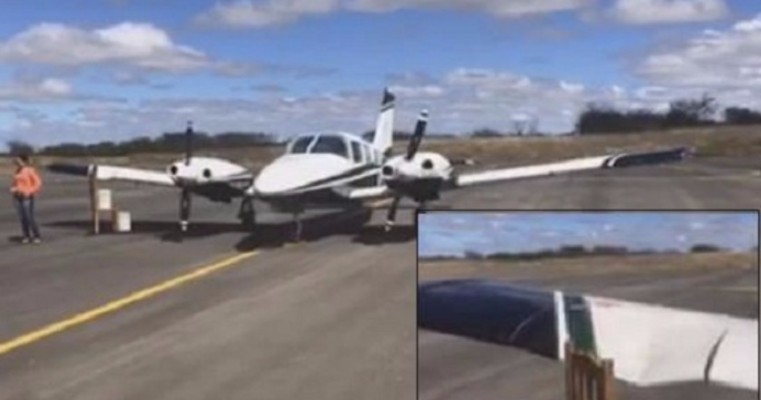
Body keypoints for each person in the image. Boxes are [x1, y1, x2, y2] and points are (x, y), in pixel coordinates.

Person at [10, 154, 42, 244]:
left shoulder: (29, 170)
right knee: (22, 217)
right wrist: (13, 189)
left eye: (18, 160)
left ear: (24, 161)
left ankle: (36, 235)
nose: (16, 162)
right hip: (18, 196)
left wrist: (30, 191)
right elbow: (16, 183)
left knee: (29, 217)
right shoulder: (17, 171)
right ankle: (26, 236)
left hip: (27, 196)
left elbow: (38, 183)